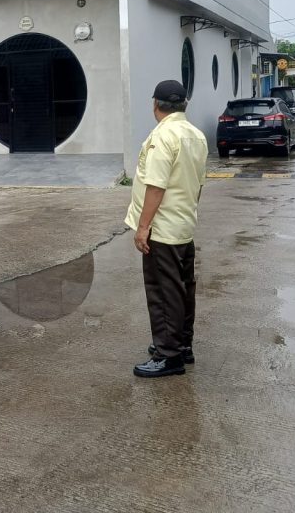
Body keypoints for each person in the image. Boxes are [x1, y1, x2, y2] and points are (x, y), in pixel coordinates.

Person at [124, 79, 208, 378]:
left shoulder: (163, 136)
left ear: (155, 104)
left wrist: (142, 227)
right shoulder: (195, 135)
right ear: (184, 104)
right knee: (184, 287)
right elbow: (197, 184)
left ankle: (168, 355)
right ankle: (182, 345)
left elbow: (156, 186)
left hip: (162, 229)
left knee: (163, 291)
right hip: (183, 224)